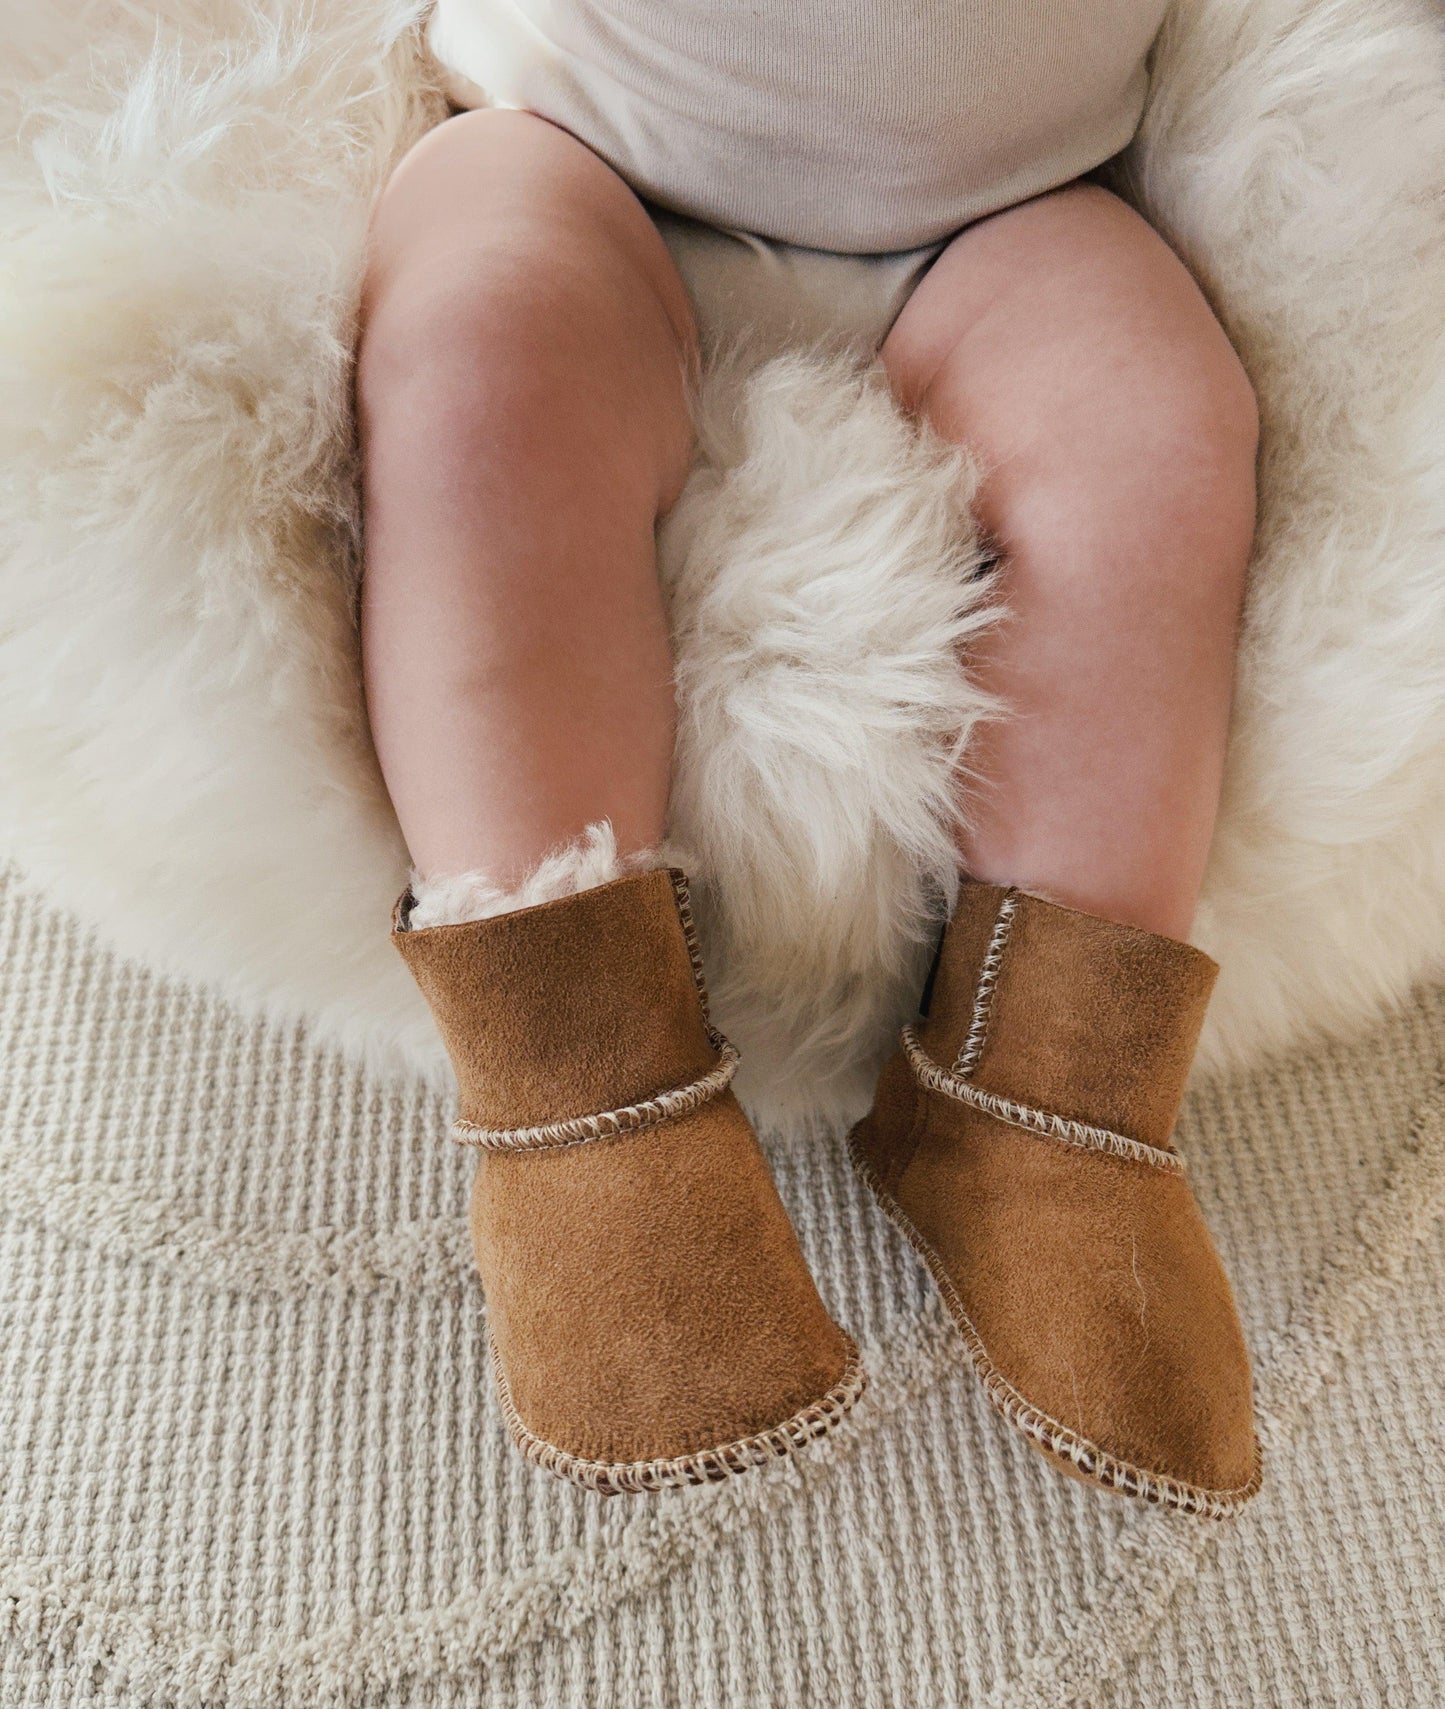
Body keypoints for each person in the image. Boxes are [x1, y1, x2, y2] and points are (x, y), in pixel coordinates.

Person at [358, 1, 1262, 1511]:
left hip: (1018, 204)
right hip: (578, 147)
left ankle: (1045, 1097)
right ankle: (581, 1086)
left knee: (1159, 437)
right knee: (473, 378)